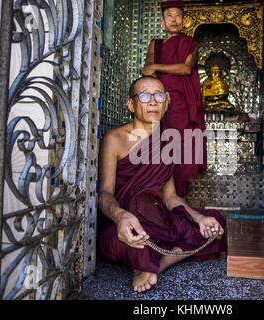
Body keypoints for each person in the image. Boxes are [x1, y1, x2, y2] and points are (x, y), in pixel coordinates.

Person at [98, 76, 226, 293]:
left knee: (214, 223)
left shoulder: (167, 141)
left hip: (160, 221)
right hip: (129, 222)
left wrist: (199, 218)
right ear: (131, 104)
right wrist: (121, 216)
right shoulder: (115, 138)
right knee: (124, 240)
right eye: (145, 96)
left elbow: (170, 197)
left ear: (167, 102)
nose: (153, 102)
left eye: (159, 96)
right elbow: (104, 193)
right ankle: (154, 258)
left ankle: (157, 264)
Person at [142, 0, 206, 197]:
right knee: (158, 147)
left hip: (182, 104)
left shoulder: (190, 43)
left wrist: (157, 67)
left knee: (181, 148)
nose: (174, 20)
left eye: (178, 16)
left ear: (184, 21)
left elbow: (185, 69)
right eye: (169, 16)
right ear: (162, 22)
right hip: (159, 102)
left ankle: (178, 199)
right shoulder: (156, 44)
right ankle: (158, 199)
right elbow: (147, 70)